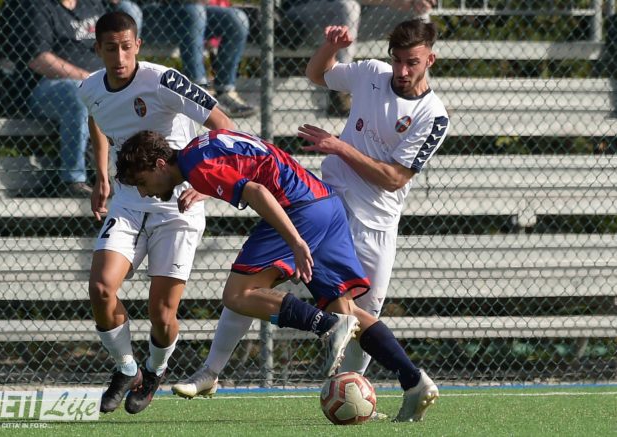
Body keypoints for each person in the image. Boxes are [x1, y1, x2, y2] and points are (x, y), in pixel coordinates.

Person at [174, 18, 449, 423]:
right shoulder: (372, 73)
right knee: (253, 280)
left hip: (372, 225)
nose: (402, 71)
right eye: (397, 60)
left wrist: (339, 146)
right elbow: (318, 74)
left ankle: (378, 394)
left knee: (356, 315)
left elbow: (394, 178)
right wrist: (330, 46)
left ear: (430, 60)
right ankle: (210, 372)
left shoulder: (433, 115)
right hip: (324, 202)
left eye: (412, 62)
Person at [116, 128, 440, 422]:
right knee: (347, 310)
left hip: (299, 210)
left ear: (160, 164)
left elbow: (257, 191)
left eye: (142, 182)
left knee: (238, 294)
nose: (144, 193)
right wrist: (210, 187)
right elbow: (251, 159)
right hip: (325, 202)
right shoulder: (199, 148)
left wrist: (296, 242)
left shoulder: (196, 168)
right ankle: (414, 381)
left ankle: (325, 326)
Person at [76, 11, 233, 415]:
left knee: (161, 314)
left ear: (138, 46)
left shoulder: (164, 80)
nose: (119, 57)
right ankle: (127, 368)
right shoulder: (89, 87)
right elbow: (97, 117)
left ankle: (155, 369)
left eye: (126, 47)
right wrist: (102, 176)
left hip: (178, 204)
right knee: (101, 289)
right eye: (110, 48)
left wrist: (206, 183)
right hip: (128, 202)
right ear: (98, 49)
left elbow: (225, 126)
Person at [0, 0, 142, 197]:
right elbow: (39, 60)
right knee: (77, 92)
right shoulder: (38, 6)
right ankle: (73, 179)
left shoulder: (93, 4)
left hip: (99, 85)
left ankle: (124, 175)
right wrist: (90, 80)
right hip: (48, 87)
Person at [279, 0, 436, 115]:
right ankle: (340, 92)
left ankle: (420, 94)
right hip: (301, 18)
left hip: (354, 20)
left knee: (418, 10)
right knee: (348, 6)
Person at [140, 1, 257, 118]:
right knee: (194, 11)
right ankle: (199, 93)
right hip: (148, 15)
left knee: (237, 19)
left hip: (188, 14)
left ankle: (224, 91)